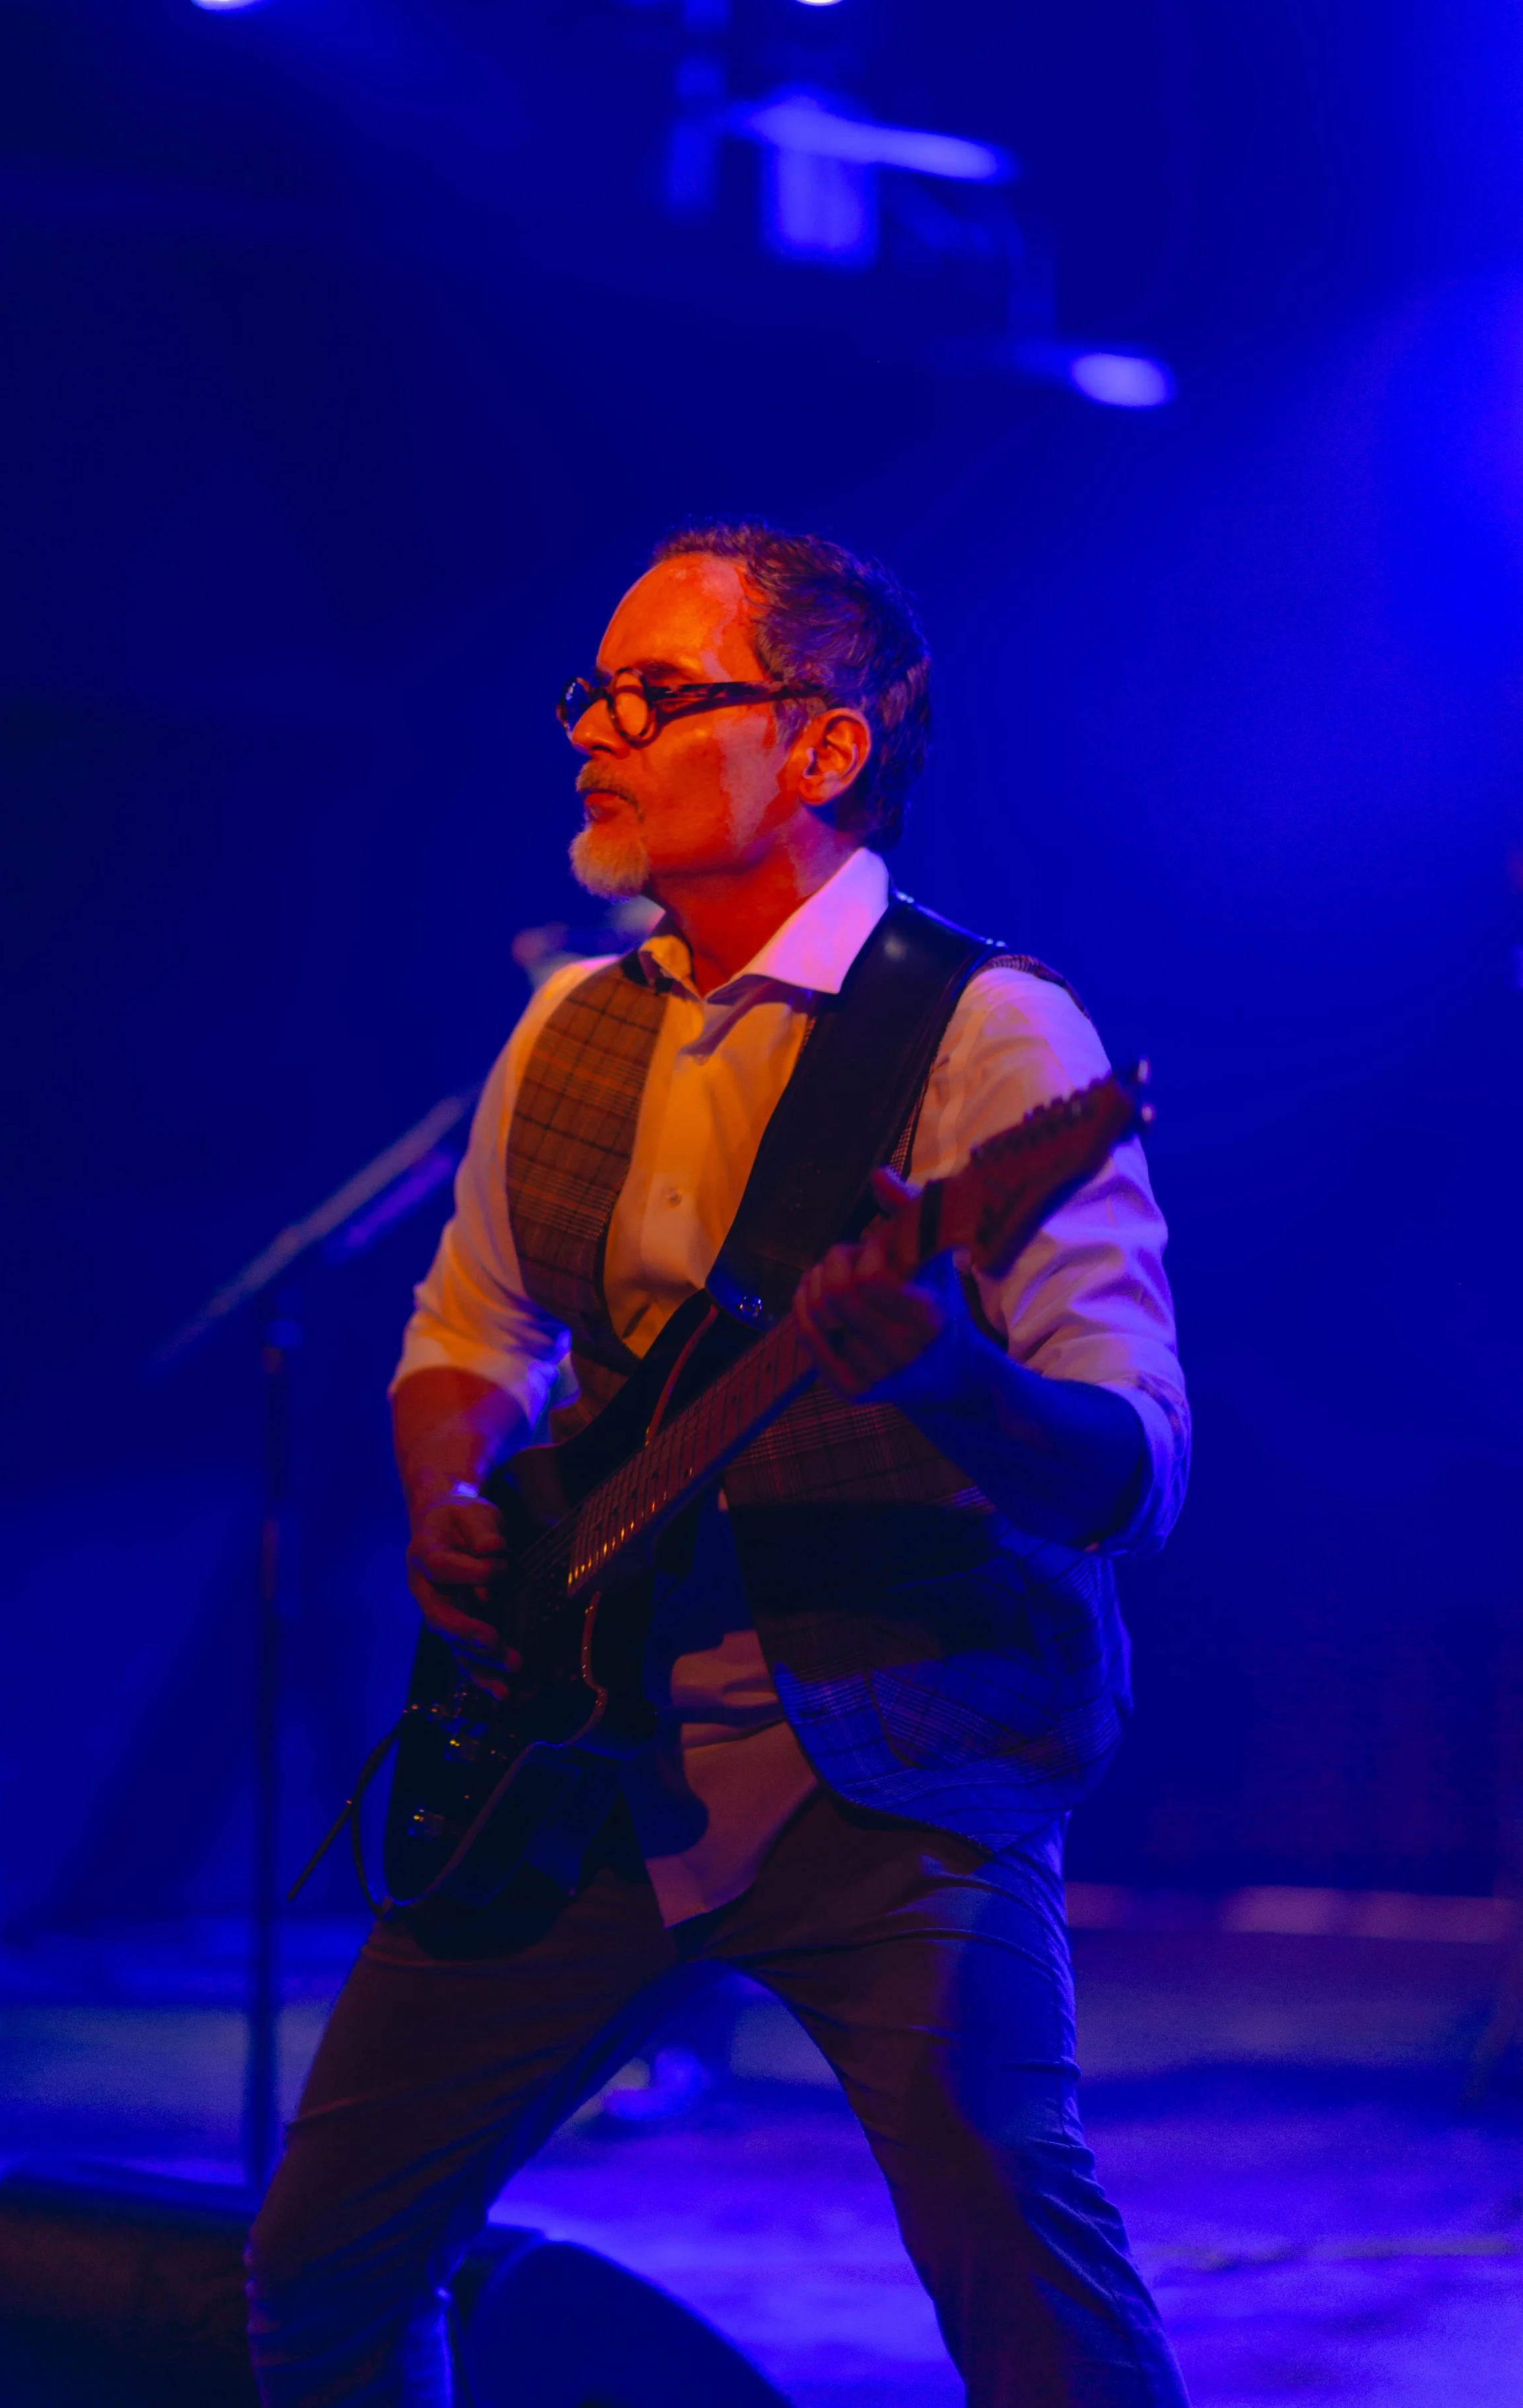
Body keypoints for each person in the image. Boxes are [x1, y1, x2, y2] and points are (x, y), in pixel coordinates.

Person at [247, 523, 1192, 2407]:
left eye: (658, 694)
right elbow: (469, 1332)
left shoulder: (992, 1033)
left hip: (896, 1768)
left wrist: (943, 1379)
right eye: (591, 690)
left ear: (825, 750)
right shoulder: (565, 1027)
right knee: (319, 2261)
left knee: (1030, 2288)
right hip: (573, 1764)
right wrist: (452, 1492)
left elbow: (1133, 1462)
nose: (595, 728)